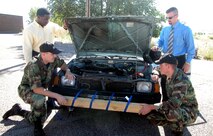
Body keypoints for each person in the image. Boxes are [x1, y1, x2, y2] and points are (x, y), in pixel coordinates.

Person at [2, 42, 74, 136]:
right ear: (43, 54)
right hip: (27, 90)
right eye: (52, 53)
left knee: (42, 111)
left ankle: (20, 110)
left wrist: (68, 71)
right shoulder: (33, 65)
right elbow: (37, 90)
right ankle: (37, 127)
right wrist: (57, 96)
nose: (55, 55)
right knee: (40, 100)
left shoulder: (53, 59)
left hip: (41, 88)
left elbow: (63, 64)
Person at [138, 54, 199, 136]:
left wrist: (150, 106)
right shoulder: (170, 72)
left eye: (161, 65)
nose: (159, 66)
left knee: (171, 113)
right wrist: (156, 74)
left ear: (168, 66)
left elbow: (171, 105)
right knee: (152, 116)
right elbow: (156, 69)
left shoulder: (181, 82)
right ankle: (174, 124)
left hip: (189, 110)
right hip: (177, 106)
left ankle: (178, 129)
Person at [152, 7, 195, 74]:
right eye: (167, 18)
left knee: (178, 83)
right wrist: (157, 46)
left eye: (170, 18)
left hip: (179, 61)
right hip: (165, 59)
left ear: (176, 16)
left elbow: (191, 48)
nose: (168, 20)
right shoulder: (165, 29)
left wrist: (188, 62)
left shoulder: (186, 30)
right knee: (164, 82)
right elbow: (160, 41)